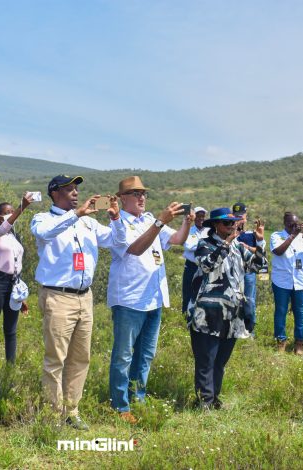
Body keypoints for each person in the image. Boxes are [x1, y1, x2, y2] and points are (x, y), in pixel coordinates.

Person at [31, 175, 125, 430]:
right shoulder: (43, 219)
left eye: (76, 189)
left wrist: (116, 218)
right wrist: (76, 215)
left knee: (80, 358)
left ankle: (71, 411)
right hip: (57, 296)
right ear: (54, 193)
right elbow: (45, 233)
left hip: (85, 297)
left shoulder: (89, 224)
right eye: (69, 189)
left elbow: (118, 242)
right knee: (55, 358)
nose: (75, 193)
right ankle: (53, 414)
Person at [107, 176, 191, 424]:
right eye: (135, 194)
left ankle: (137, 399)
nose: (141, 197)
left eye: (143, 193)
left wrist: (187, 222)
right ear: (122, 199)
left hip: (154, 298)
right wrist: (158, 222)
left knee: (145, 355)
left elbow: (176, 240)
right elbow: (134, 248)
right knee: (123, 355)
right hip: (129, 299)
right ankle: (120, 406)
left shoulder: (148, 219)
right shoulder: (118, 221)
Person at [187, 207, 266, 409]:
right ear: (215, 225)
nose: (232, 226)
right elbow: (207, 266)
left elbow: (259, 266)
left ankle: (214, 399)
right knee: (206, 360)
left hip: (232, 316)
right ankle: (204, 401)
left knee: (220, 362)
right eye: (227, 223)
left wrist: (259, 242)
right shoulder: (204, 244)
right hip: (207, 314)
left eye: (233, 223)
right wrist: (226, 244)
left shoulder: (238, 247)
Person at [0, 193, 34, 363]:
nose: (12, 214)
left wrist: (21, 295)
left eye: (13, 211)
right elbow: (4, 227)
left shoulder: (15, 236)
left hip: (13, 283)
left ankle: (10, 369)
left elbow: (18, 265)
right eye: (8, 212)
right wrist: (22, 206)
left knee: (10, 330)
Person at [270, 212, 303, 355]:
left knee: (300, 312)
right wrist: (292, 236)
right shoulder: (276, 236)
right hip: (281, 281)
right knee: (281, 311)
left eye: (297, 224)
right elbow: (278, 251)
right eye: (291, 224)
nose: (294, 226)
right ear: (285, 223)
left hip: (301, 281)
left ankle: (299, 344)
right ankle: (281, 343)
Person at [232, 202, 266, 334]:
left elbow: (260, 252)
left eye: (241, 216)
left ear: (245, 216)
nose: (239, 218)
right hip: (233, 271)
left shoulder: (251, 234)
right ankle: (235, 329)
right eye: (236, 216)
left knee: (249, 301)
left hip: (248, 272)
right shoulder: (229, 231)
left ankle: (250, 330)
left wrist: (246, 247)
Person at [182, 206, 208, 313]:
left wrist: (199, 245)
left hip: (205, 266)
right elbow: (188, 246)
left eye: (202, 216)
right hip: (191, 266)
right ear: (194, 217)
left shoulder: (209, 231)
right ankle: (185, 316)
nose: (200, 218)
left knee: (204, 293)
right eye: (198, 216)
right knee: (188, 292)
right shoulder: (189, 230)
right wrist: (203, 245)